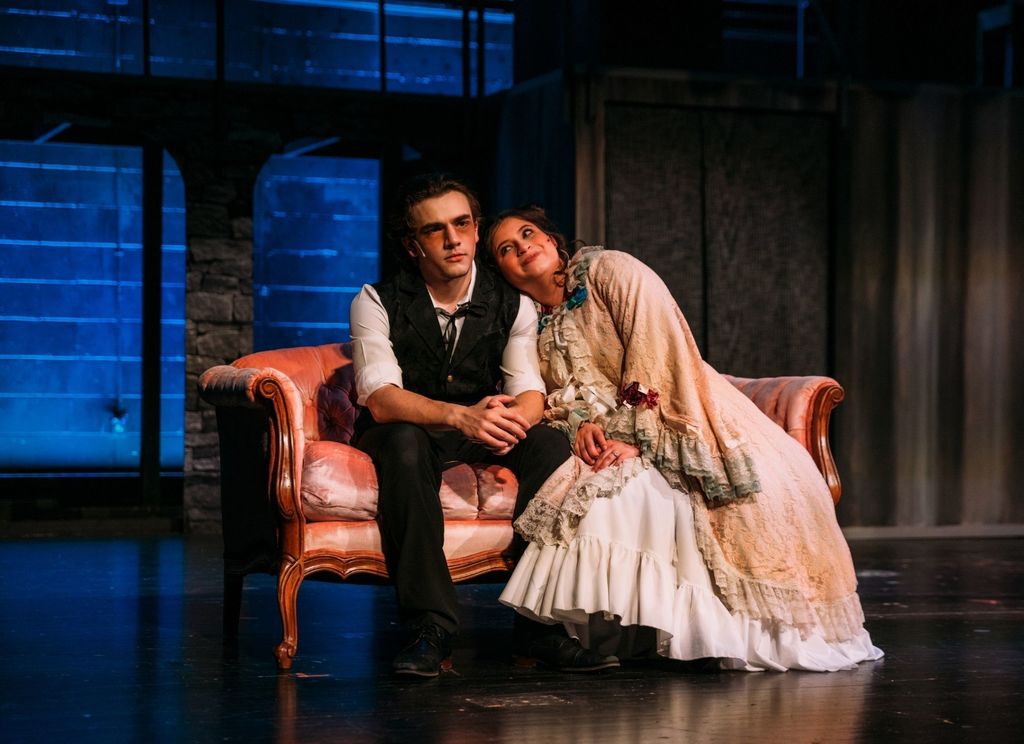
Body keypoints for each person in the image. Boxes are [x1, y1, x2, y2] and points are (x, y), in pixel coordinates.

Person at [485, 205, 884, 671]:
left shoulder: (608, 270)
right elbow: (558, 394)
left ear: (553, 240)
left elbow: (658, 346)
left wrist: (639, 433)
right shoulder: (530, 324)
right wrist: (581, 426)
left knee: (691, 497)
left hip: (682, 408)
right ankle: (634, 627)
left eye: (529, 234)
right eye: (506, 249)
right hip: (618, 427)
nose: (523, 248)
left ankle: (713, 632)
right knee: (601, 492)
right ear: (502, 272)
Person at [349, 175, 619, 677]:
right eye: (435, 230)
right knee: (405, 444)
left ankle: (539, 628)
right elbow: (381, 399)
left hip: (480, 424)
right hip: (410, 426)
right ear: (413, 246)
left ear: (475, 231)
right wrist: (459, 415)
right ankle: (430, 629)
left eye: (462, 224)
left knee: (545, 444)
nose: (453, 239)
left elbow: (529, 388)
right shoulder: (375, 299)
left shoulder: (510, 300)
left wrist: (513, 420)